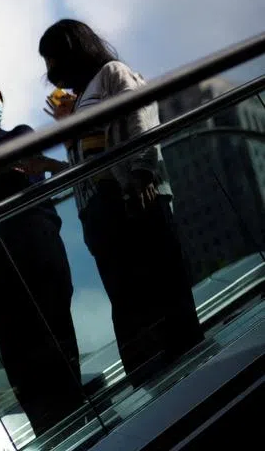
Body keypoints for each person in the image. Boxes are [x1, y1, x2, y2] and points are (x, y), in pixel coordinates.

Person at [38, 19, 203, 385]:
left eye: (51, 58)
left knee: (163, 292)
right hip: (100, 216)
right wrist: (65, 138)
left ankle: (191, 373)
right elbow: (88, 166)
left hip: (133, 197)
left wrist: (143, 172)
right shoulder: (77, 104)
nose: (49, 71)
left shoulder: (111, 74)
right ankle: (153, 385)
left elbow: (140, 114)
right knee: (128, 305)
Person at [0, 78, 85, 435]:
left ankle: (81, 430)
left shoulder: (21, 135)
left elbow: (20, 182)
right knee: (19, 363)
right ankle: (51, 435)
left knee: (55, 346)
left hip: (37, 254)